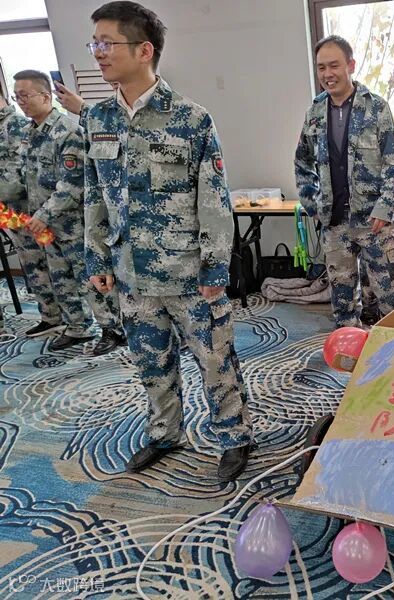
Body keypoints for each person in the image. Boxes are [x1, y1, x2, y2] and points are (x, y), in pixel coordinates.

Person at [82, 1, 252, 480]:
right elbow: (94, 194)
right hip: (131, 275)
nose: (98, 53)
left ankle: (234, 436)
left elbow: (214, 201)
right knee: (150, 363)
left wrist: (215, 267)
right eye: (94, 43)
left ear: (144, 50)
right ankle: (165, 433)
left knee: (215, 361)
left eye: (107, 43)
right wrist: (97, 257)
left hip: (189, 274)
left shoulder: (191, 119)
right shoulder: (97, 119)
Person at [294, 35, 394, 329]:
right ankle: (349, 347)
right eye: (321, 68)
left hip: (374, 221)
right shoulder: (314, 113)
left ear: (351, 65)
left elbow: (393, 162)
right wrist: (313, 206)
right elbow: (302, 162)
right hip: (334, 224)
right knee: (342, 300)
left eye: (334, 66)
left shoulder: (376, 108)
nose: (327, 74)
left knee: (392, 295)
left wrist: (384, 207)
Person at [12, 70, 125, 354]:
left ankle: (113, 328)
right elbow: (28, 179)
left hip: (73, 224)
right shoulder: (29, 133)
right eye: (17, 97)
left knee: (91, 279)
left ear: (45, 96)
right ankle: (78, 327)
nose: (21, 102)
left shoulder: (67, 131)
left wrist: (43, 215)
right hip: (46, 225)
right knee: (60, 278)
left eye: (25, 95)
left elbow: (73, 183)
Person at [1, 90, 63, 337]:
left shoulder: (15, 125)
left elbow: (23, 173)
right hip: (9, 211)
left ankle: (61, 318)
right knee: (32, 264)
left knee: (44, 264)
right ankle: (50, 316)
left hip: (28, 210)